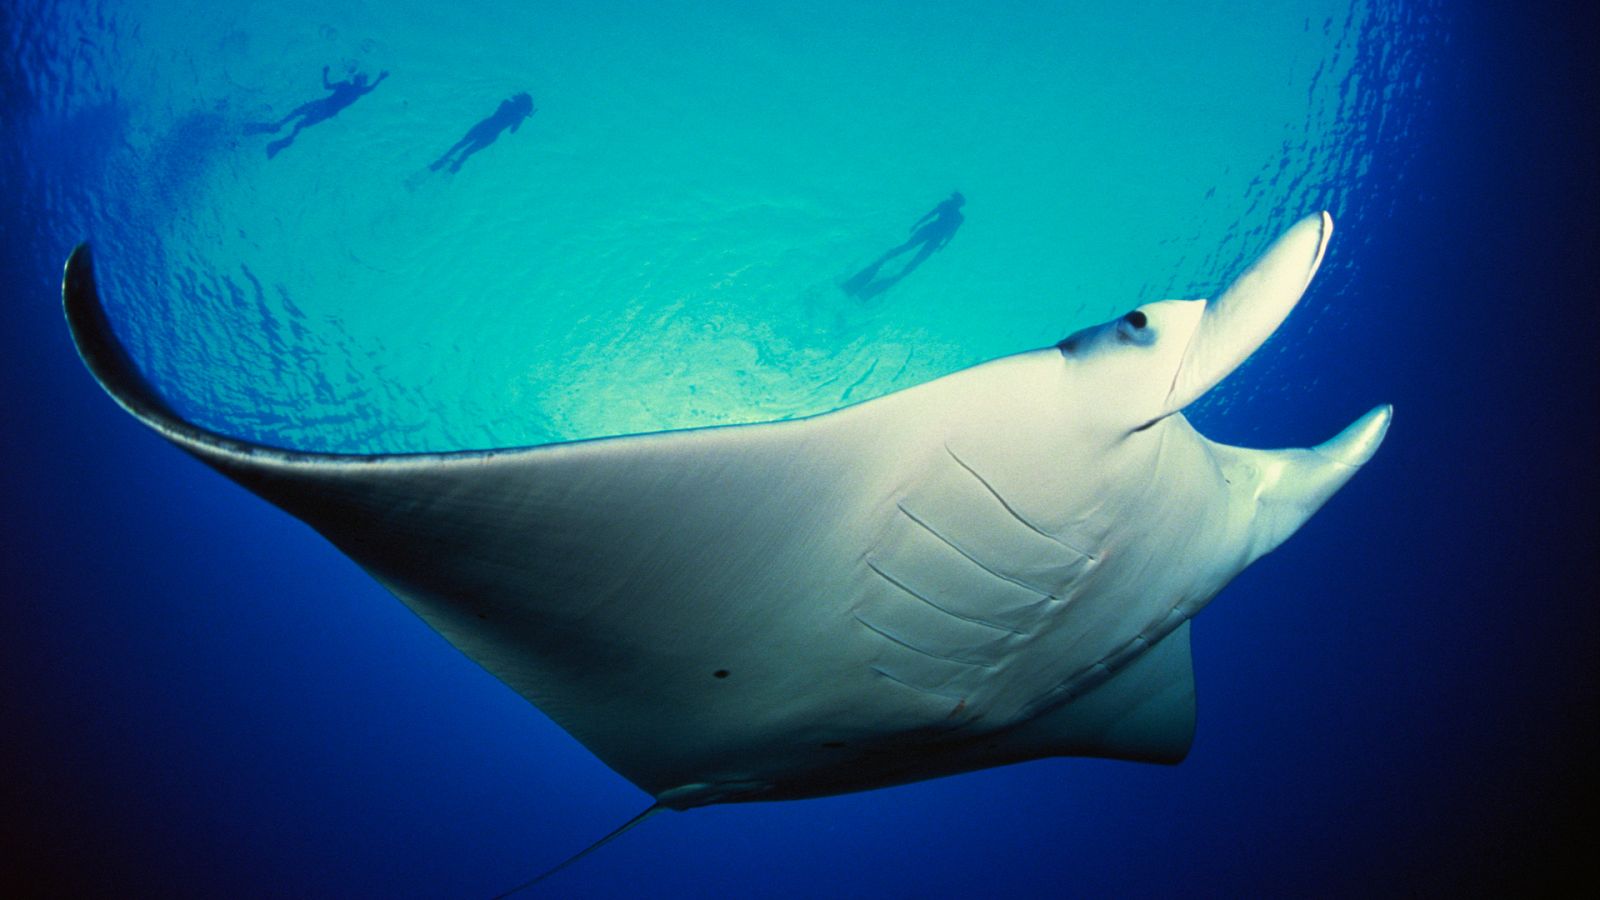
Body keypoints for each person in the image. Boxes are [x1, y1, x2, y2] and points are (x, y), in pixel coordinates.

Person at [842, 191, 966, 299]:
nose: (952, 200)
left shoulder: (948, 207)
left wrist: (918, 225)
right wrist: (943, 244)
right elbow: (947, 228)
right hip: (935, 235)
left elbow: (935, 219)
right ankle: (881, 275)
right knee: (913, 256)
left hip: (931, 231)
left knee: (909, 252)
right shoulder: (954, 213)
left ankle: (880, 267)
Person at [246, 66, 389, 158]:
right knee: (297, 113)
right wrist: (325, 73)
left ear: (361, 81)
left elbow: (370, 88)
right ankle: (277, 126)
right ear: (357, 79)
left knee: (300, 122)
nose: (359, 80)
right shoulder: (349, 87)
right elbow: (327, 86)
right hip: (325, 105)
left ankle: (285, 137)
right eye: (359, 78)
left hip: (327, 110)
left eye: (361, 79)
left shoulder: (357, 90)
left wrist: (380, 79)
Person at [430, 93, 536, 173]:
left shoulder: (506, 103)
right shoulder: (518, 116)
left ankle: (442, 160)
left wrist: (521, 110)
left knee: (461, 143)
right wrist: (523, 116)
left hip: (484, 125)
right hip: (492, 134)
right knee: (467, 152)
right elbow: (512, 131)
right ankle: (456, 166)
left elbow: (510, 101)